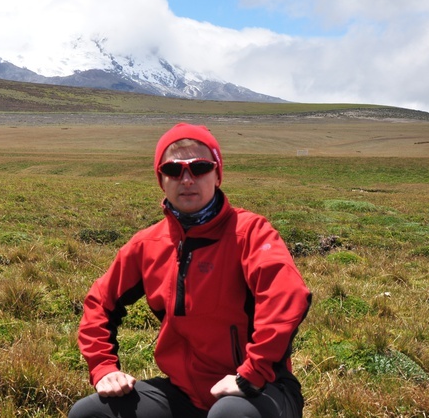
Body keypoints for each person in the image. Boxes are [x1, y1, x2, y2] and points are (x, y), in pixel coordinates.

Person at [68, 123, 312, 418]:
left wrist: (252, 371)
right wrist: (103, 367)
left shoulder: (250, 233)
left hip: (260, 387)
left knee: (229, 415)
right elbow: (99, 303)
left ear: (218, 175)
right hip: (184, 393)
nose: (186, 179)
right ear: (161, 179)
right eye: (173, 170)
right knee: (89, 413)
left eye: (199, 167)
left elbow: (288, 296)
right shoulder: (147, 245)